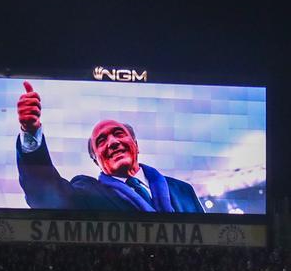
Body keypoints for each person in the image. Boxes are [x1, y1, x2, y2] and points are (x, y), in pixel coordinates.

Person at [14, 81, 204, 212]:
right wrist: (30, 132)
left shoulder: (183, 191)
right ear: (96, 160)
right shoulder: (88, 193)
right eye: (101, 141)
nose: (112, 142)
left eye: (119, 134)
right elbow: (46, 194)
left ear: (136, 145)